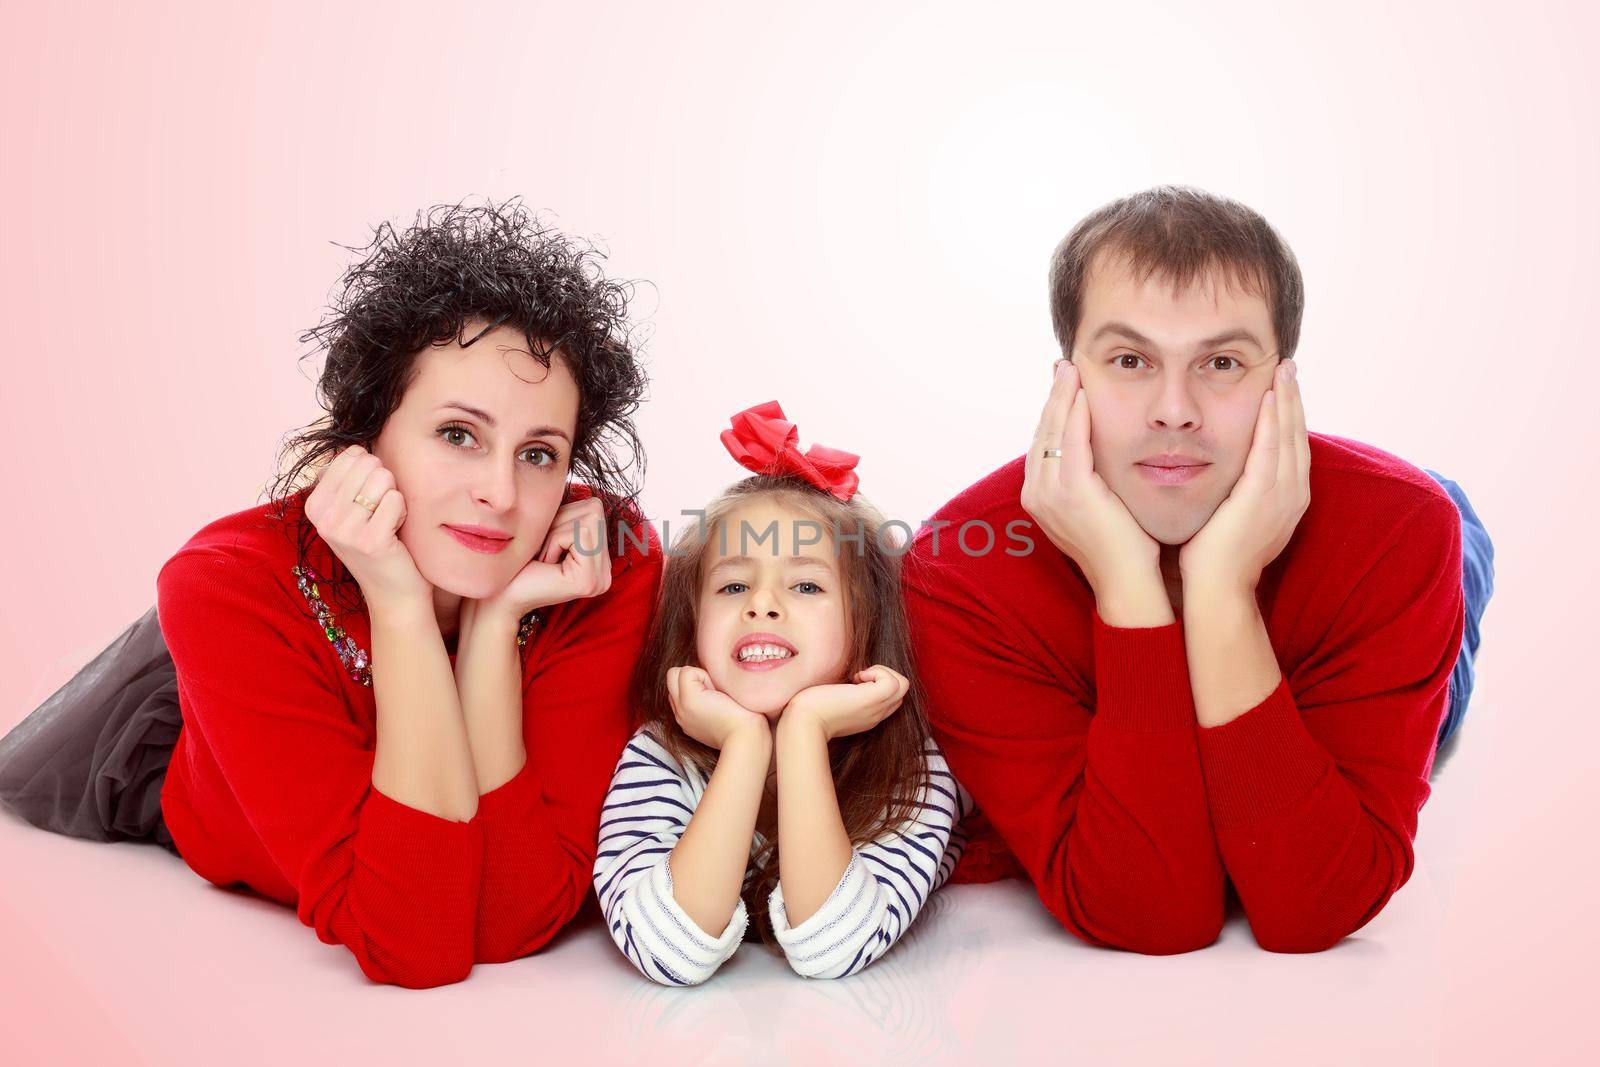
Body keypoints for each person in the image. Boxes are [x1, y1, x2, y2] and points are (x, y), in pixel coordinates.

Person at [0, 199, 665, 988]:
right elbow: (417, 943)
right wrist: (398, 601)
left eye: (540, 453)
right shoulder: (225, 588)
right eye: (458, 434)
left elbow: (515, 918)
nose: (501, 493)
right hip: (226, 790)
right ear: (368, 434)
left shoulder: (600, 555)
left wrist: (492, 627)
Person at [903, 186, 1495, 954]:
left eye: (1221, 361)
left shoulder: (1402, 532)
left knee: (1447, 523)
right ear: (1065, 380)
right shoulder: (955, 570)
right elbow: (1149, 912)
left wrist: (1220, 590)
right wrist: (1128, 582)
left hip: (1402, 546)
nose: (1174, 409)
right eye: (1129, 360)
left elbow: (1315, 905)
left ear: (1283, 381)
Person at [593, 401, 972, 984]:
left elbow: (834, 948)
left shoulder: (912, 767)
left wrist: (803, 731)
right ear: (690, 622)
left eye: (805, 584)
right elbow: (668, 951)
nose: (762, 604)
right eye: (735, 584)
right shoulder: (661, 754)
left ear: (867, 624)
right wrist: (743, 745)